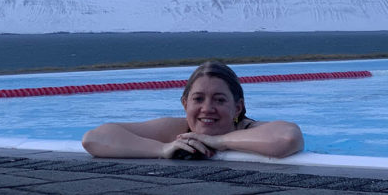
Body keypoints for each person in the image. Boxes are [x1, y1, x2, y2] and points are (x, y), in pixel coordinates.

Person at [82, 60, 304, 160]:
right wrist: (162, 149)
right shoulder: (177, 130)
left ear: (238, 107)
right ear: (185, 104)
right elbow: (95, 138)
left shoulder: (252, 129)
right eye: (198, 99)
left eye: (219, 100)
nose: (207, 109)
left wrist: (221, 141)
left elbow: (287, 139)